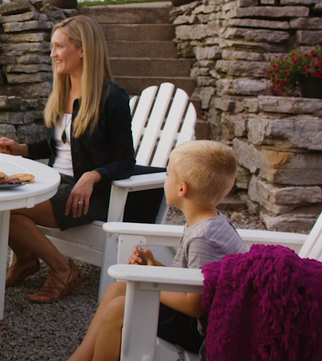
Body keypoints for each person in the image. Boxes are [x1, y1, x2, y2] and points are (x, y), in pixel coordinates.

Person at [0, 15, 135, 303]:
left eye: (59, 47)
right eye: (52, 47)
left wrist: (94, 175)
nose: (52, 54)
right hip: (55, 184)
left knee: (5, 209)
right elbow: (58, 146)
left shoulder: (112, 98)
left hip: (89, 195)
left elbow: (126, 162)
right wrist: (23, 149)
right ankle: (26, 261)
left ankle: (62, 270)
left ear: (83, 49)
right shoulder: (62, 91)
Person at [68, 140, 247, 361]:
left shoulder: (204, 238)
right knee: (119, 290)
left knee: (120, 308)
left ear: (182, 188)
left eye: (169, 176)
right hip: (193, 317)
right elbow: (192, 280)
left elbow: (195, 306)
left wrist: (149, 285)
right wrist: (155, 268)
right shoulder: (207, 220)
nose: (166, 181)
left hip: (203, 330)